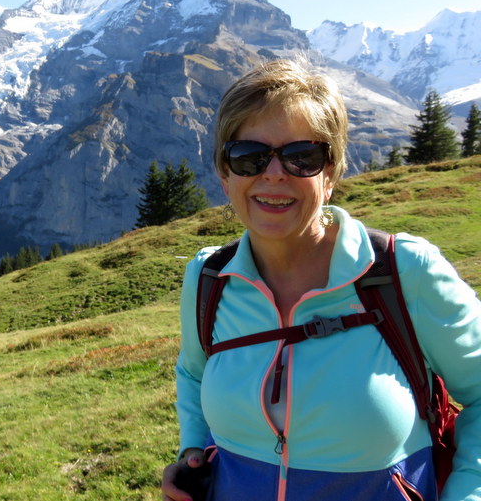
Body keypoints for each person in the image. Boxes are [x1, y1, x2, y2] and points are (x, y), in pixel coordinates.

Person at [161, 58, 481, 501]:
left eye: (301, 157)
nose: (273, 174)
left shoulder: (402, 271)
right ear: (224, 173)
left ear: (330, 173)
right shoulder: (209, 276)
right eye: (249, 156)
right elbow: (193, 373)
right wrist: (194, 449)